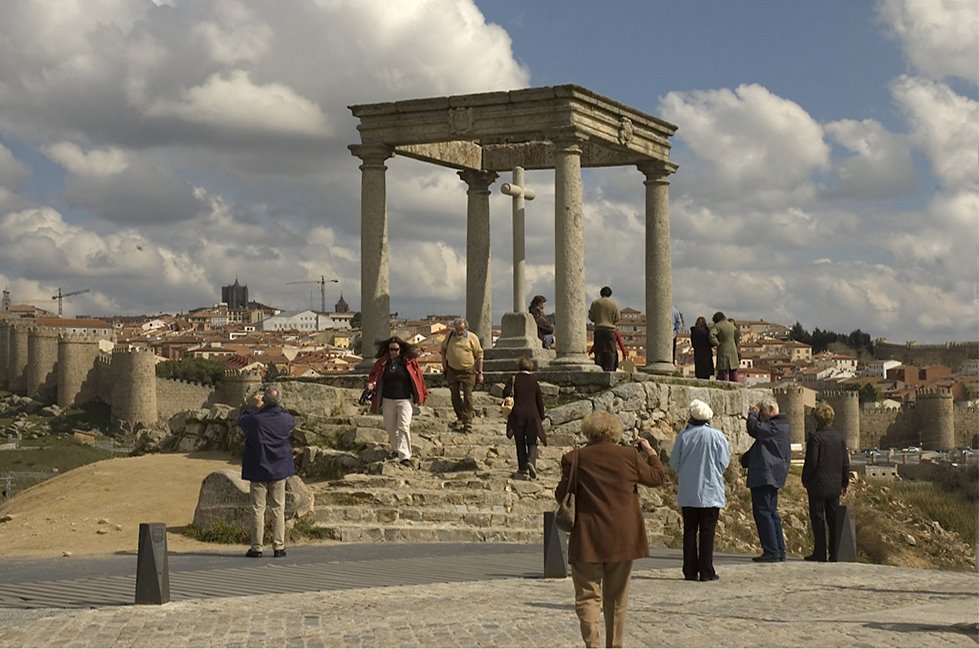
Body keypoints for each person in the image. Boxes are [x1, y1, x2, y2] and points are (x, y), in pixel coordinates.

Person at [555, 411, 666, 648]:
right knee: (616, 599)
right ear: (615, 431)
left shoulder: (574, 457)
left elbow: (560, 495)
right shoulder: (628, 456)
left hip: (587, 537)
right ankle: (615, 645)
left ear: (588, 432)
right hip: (622, 538)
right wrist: (651, 452)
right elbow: (657, 477)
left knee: (587, 597)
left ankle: (592, 645)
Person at [669, 399, 730, 582]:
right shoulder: (717, 436)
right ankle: (706, 570)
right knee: (707, 531)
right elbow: (724, 462)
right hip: (710, 491)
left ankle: (689, 570)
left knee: (689, 530)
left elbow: (674, 463)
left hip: (689, 490)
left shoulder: (684, 436)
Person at [239, 385, 295, 558]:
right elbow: (291, 421)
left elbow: (241, 421)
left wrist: (255, 407)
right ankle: (279, 547)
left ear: (264, 400)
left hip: (258, 467)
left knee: (258, 509)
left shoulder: (256, 419)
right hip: (279, 469)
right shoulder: (285, 419)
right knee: (278, 508)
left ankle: (257, 547)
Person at [367, 336, 429, 467]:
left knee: (404, 426)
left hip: (405, 399)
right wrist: (371, 384)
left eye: (395, 349)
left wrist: (423, 394)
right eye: (390, 349)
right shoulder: (382, 363)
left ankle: (405, 456)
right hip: (388, 399)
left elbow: (419, 378)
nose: (393, 352)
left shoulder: (409, 362)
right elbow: (373, 375)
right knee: (390, 427)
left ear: (401, 349)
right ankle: (395, 450)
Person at [744, 396, 792, 562]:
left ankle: (771, 551)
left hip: (766, 475)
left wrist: (752, 414)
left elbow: (753, 429)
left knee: (763, 512)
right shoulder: (781, 425)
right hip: (773, 474)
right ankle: (778, 550)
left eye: (763, 413)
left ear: (771, 411)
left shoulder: (774, 427)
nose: (761, 417)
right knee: (771, 513)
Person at [802, 402, 850, 562]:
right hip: (835, 486)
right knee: (833, 519)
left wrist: (805, 479)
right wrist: (845, 483)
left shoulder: (816, 438)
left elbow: (811, 463)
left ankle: (820, 552)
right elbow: (845, 463)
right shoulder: (839, 438)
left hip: (818, 486)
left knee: (818, 519)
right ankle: (834, 553)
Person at [502, 356, 547, 478]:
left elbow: (505, 393)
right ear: (531, 367)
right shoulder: (534, 381)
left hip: (517, 414)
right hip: (532, 416)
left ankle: (522, 468)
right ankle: (531, 462)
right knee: (532, 441)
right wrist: (541, 416)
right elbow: (539, 401)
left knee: (520, 442)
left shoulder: (514, 379)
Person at [440, 318, 483, 433]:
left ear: (466, 328)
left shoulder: (472, 338)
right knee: (455, 395)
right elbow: (443, 349)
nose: (459, 332)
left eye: (462, 329)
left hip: (468, 371)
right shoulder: (449, 336)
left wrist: (480, 372)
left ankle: (467, 421)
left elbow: (479, 355)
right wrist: (444, 363)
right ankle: (460, 417)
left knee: (468, 396)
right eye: (457, 329)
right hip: (452, 370)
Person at [588, 286, 620, 372]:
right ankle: (610, 368)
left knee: (598, 350)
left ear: (601, 293)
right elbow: (617, 318)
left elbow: (591, 318)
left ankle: (598, 367)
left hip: (598, 328)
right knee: (611, 350)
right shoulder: (614, 304)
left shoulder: (595, 303)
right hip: (610, 330)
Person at [709, 311, 740, 382]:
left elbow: (711, 335)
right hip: (733, 350)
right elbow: (737, 335)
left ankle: (725, 385)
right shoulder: (732, 325)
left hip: (723, 349)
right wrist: (735, 344)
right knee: (733, 370)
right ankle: (735, 385)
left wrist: (717, 343)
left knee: (723, 370)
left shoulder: (717, 326)